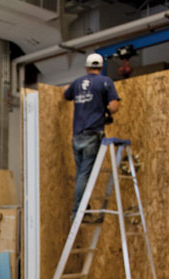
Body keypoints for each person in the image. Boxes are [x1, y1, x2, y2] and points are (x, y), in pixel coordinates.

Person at [64, 53, 120, 221]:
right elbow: (114, 106)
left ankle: (84, 209)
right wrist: (106, 111)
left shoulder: (77, 82)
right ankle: (77, 212)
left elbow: (66, 95)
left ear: (87, 67)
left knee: (81, 173)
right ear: (101, 67)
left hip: (77, 135)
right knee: (85, 174)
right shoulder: (105, 82)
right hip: (93, 133)